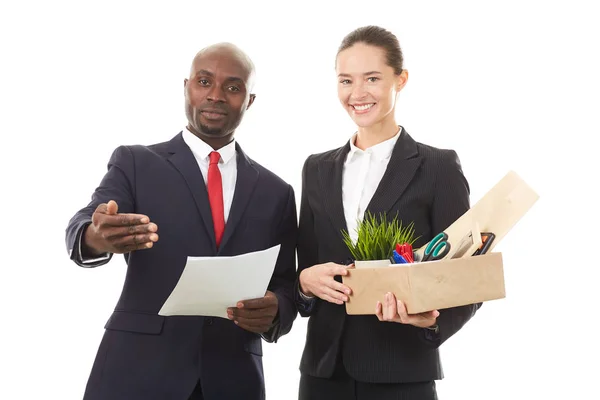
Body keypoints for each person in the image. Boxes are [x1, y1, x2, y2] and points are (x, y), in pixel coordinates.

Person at [65, 43, 298, 400]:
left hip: (234, 379)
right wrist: (96, 237)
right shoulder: (136, 162)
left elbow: (285, 283)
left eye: (233, 87)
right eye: (205, 82)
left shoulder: (276, 191)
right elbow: (86, 222)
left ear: (249, 100)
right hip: (138, 373)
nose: (216, 96)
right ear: (187, 87)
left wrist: (276, 308)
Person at [295, 26, 481, 400]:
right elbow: (306, 267)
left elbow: (469, 274)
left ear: (401, 79)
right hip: (323, 372)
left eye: (372, 79)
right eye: (346, 80)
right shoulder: (316, 168)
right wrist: (303, 282)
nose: (357, 93)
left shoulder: (437, 167)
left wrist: (431, 322)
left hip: (401, 370)